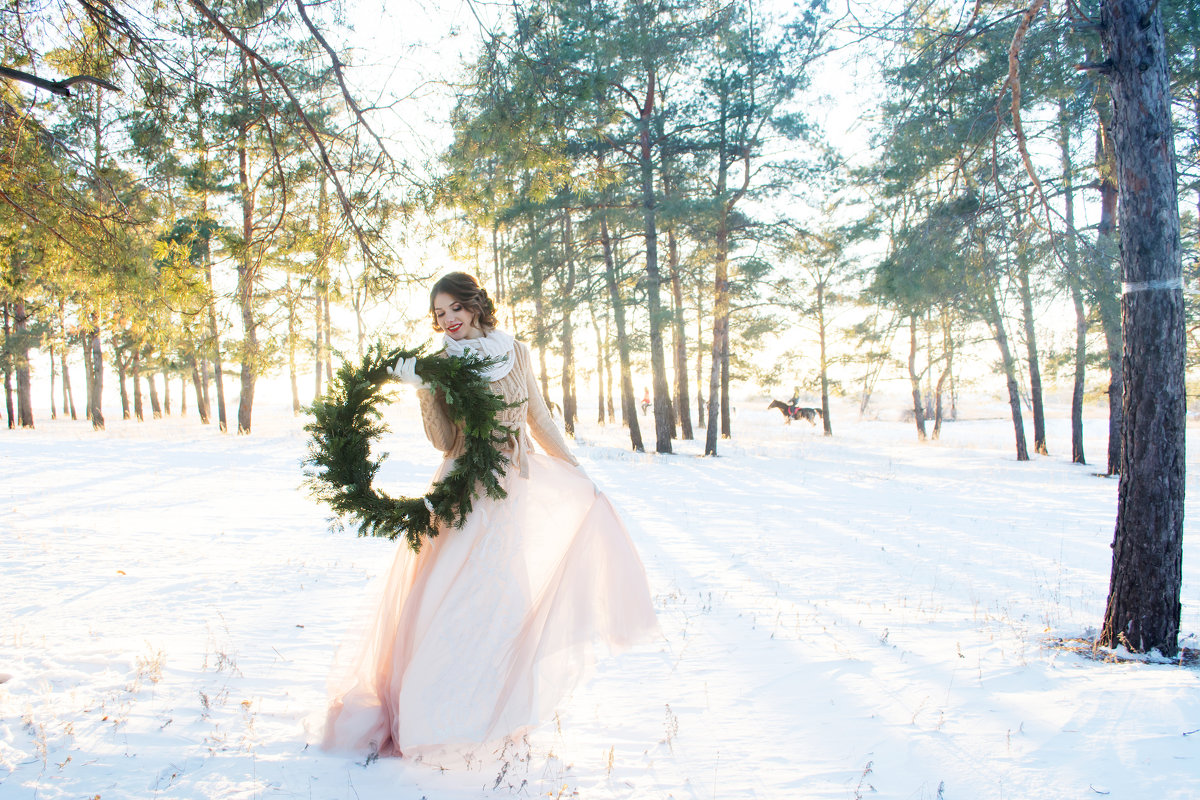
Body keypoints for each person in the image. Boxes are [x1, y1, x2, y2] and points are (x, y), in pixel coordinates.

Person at [321, 272, 658, 764]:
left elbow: (538, 418)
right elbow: (442, 441)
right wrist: (422, 390)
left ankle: (491, 713)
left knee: (501, 597)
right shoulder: (440, 364)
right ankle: (434, 714)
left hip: (510, 489)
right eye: (438, 314)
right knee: (455, 595)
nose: (447, 320)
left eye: (453, 309)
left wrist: (573, 467)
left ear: (475, 305)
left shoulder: (515, 351)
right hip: (462, 488)